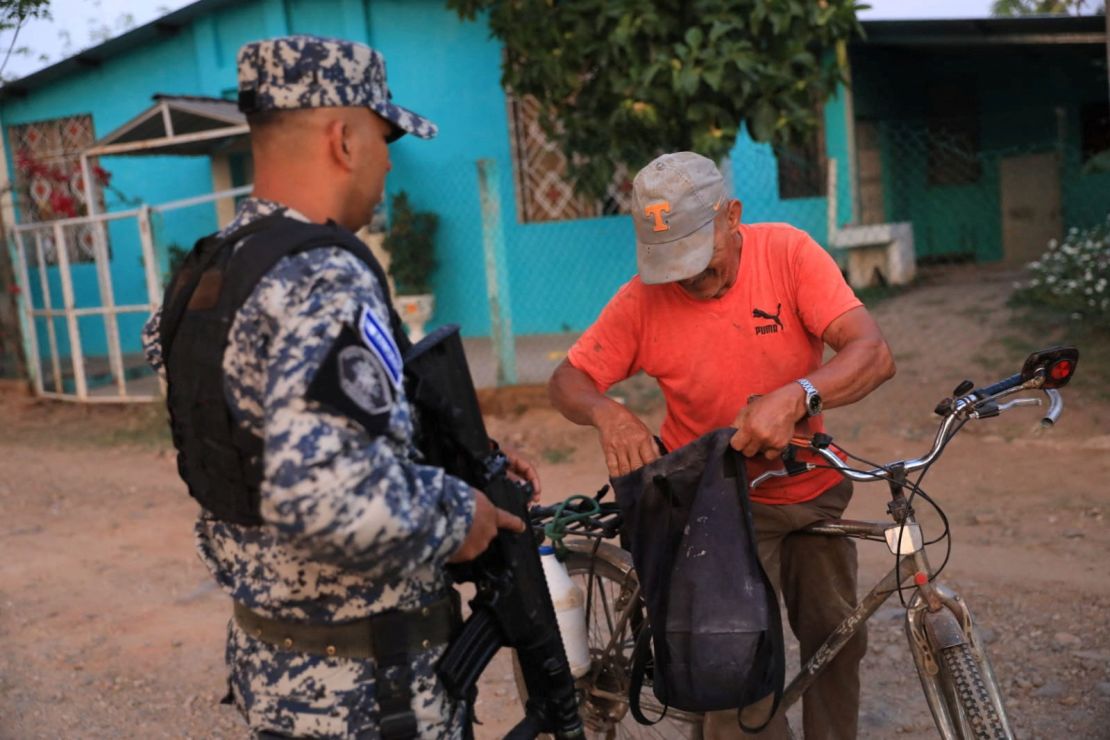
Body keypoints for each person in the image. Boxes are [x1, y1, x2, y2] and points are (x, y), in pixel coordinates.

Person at [141, 35, 535, 739]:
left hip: (274, 670)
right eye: (384, 137)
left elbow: (270, 434)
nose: (388, 162)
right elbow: (325, 493)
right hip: (368, 694)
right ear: (344, 139)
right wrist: (460, 511)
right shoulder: (323, 276)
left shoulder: (208, 275)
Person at [548, 151, 896, 739]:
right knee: (732, 662)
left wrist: (800, 394)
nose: (689, 279)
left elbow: (872, 353)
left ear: (732, 216)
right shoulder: (642, 301)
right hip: (714, 504)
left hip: (808, 487)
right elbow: (567, 380)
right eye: (671, 264)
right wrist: (607, 413)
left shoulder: (786, 253)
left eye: (700, 258)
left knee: (837, 637)